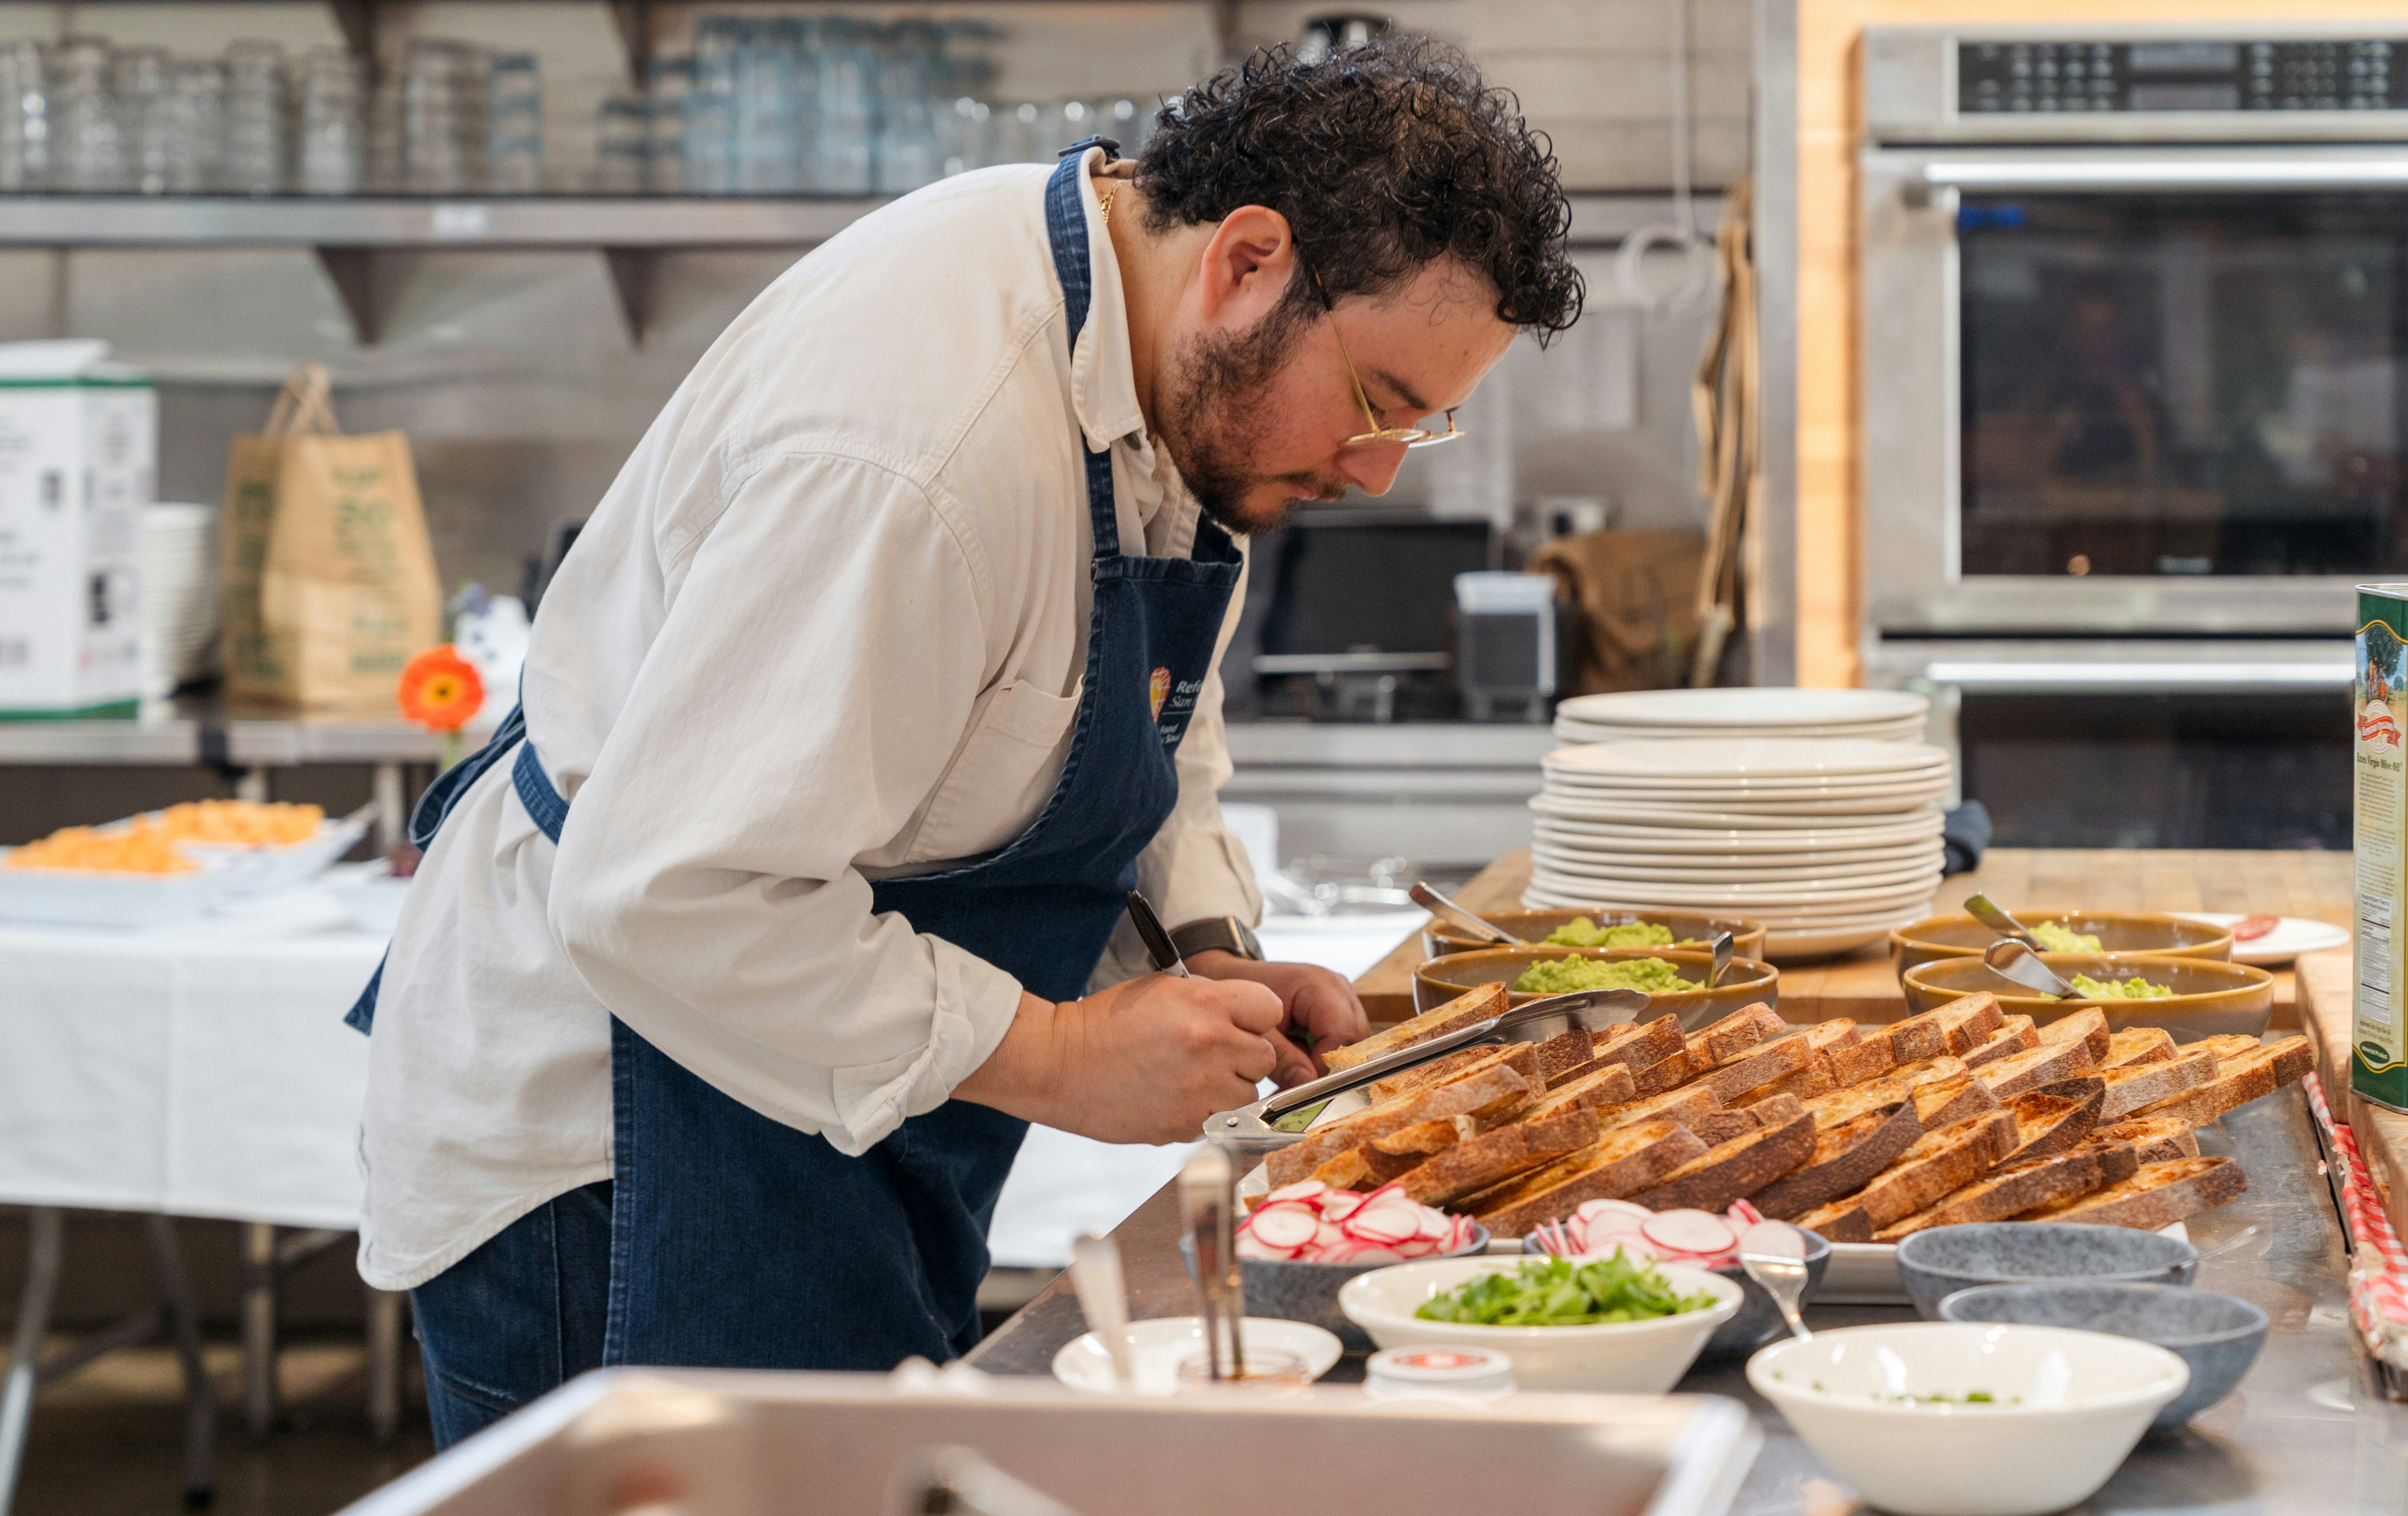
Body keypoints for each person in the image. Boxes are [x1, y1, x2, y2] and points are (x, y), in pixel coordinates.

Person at [349, 37, 1583, 1445]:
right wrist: (1057, 1053)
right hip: (619, 1155)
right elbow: (663, 895)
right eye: (1377, 402)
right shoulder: (918, 450)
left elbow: (1141, 704)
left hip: (824, 1119)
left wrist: (1200, 941)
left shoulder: (1156, 352)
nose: (1373, 469)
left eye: (1421, 428)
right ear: (1248, 261)